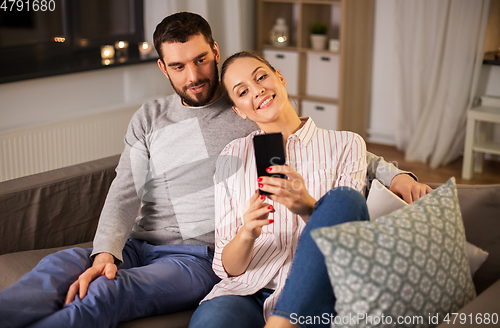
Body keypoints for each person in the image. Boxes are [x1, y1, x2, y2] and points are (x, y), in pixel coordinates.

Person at [0, 12, 430, 328]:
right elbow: (123, 192)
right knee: (56, 270)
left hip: (196, 255)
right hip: (140, 243)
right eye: (179, 66)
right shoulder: (150, 117)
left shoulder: (244, 107)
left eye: (202, 60)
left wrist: (396, 175)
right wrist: (106, 253)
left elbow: (323, 147)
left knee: (107, 291)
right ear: (163, 69)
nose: (195, 76)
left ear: (215, 52)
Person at [187, 51, 371, 328]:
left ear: (280, 78)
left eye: (261, 77)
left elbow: (347, 237)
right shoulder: (232, 156)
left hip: (316, 291)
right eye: (243, 91)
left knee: (343, 199)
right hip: (246, 291)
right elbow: (226, 267)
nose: (258, 90)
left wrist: (308, 206)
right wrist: (247, 232)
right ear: (239, 109)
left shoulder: (346, 145)